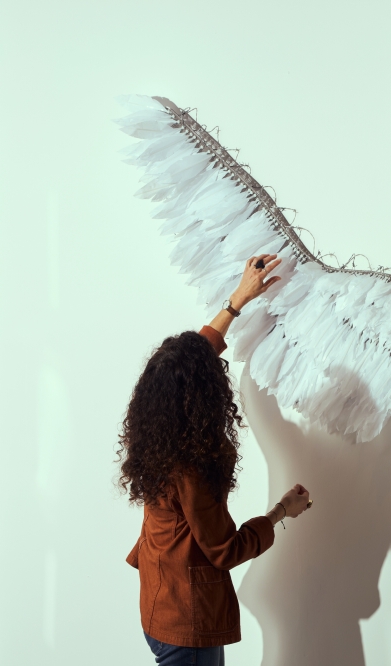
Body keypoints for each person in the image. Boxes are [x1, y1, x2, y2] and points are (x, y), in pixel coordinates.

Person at [117, 254, 311, 666]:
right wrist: (281, 511)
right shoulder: (192, 468)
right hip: (186, 626)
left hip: (158, 603)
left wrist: (236, 301)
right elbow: (225, 550)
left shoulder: (157, 428)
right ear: (205, 395)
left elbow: (189, 363)